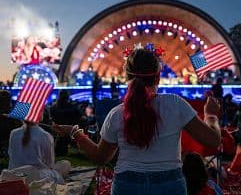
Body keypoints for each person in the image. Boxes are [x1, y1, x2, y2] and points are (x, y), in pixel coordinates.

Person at [52, 49, 221, 195]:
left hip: (127, 184)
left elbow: (100, 157)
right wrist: (211, 115)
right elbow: (213, 140)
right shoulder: (175, 104)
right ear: (157, 77)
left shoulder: (117, 113)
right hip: (169, 184)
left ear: (127, 77)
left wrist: (75, 132)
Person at [50, 89, 81, 156]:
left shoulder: (53, 108)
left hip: (57, 129)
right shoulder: (73, 108)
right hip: (69, 130)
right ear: (68, 96)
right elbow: (79, 116)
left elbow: (52, 117)